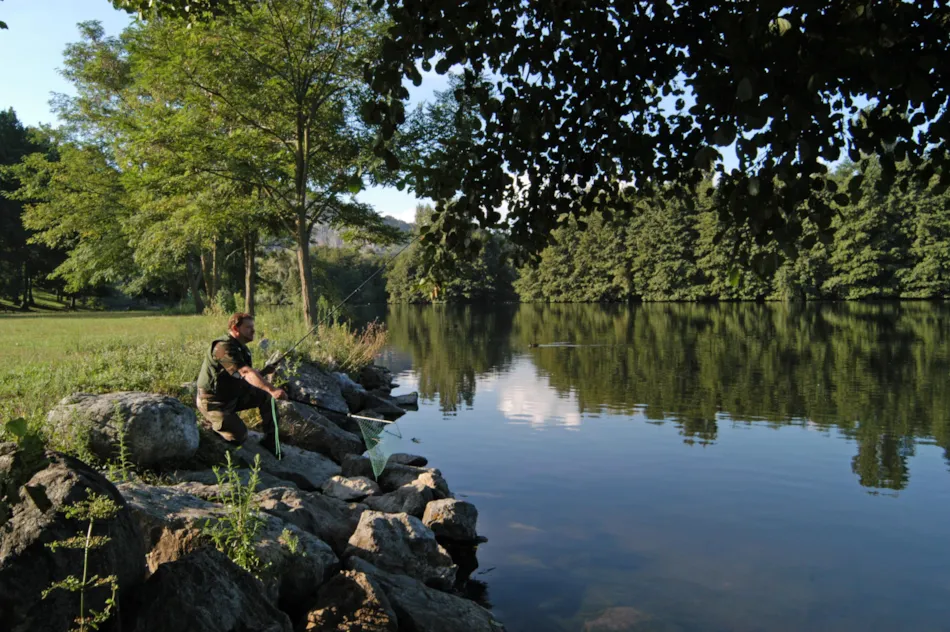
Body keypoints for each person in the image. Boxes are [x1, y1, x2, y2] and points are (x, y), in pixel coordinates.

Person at [196, 312, 287, 451]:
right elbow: (245, 372)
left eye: (253, 326)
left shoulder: (241, 348)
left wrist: (263, 373)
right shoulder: (222, 347)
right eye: (248, 327)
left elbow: (238, 376)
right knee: (240, 436)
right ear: (235, 329)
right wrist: (272, 389)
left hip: (232, 397)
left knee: (266, 397)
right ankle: (213, 426)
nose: (253, 330)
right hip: (214, 402)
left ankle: (271, 440)